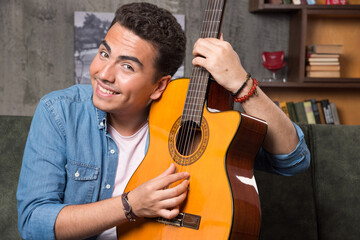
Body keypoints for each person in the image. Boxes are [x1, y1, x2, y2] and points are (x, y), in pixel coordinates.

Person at [17, 2, 310, 240]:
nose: (104, 73)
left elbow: (292, 160)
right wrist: (130, 206)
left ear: (159, 86)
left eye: (127, 66)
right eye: (104, 53)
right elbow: (33, 223)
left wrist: (243, 85)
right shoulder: (59, 112)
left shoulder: (189, 118)